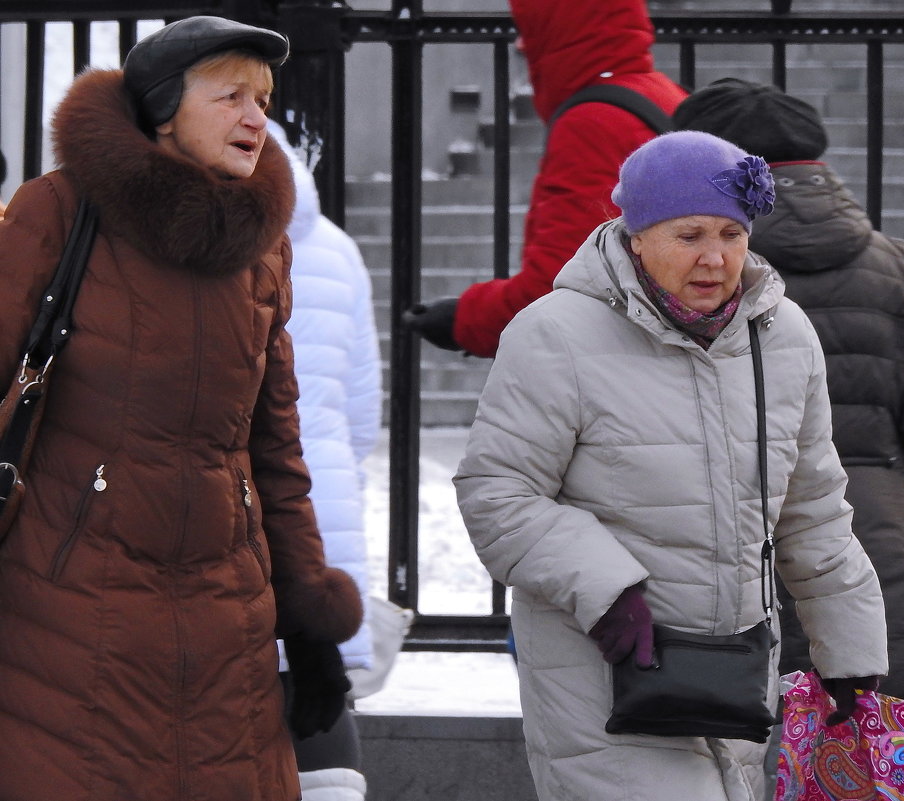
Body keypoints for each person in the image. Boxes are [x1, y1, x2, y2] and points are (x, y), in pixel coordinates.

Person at [453, 130, 889, 801]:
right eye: (688, 235)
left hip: (733, 678)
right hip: (603, 670)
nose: (715, 257)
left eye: (730, 233)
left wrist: (850, 655)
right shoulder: (556, 333)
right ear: (636, 237)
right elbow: (498, 491)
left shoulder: (782, 335)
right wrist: (606, 590)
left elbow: (813, 510)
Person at [0, 16, 361, 801]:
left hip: (224, 621)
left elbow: (274, 446)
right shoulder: (55, 214)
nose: (255, 117)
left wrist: (307, 617)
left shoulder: (262, 250)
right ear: (163, 109)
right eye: (231, 95)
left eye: (263, 99)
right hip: (63, 610)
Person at [672, 78, 904, 706]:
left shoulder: (687, 267)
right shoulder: (888, 262)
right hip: (878, 557)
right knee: (868, 766)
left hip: (729, 552)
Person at [403, 0, 687, 357]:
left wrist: (465, 319)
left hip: (611, 364)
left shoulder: (592, 122)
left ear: (558, 30)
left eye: (527, 29)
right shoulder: (662, 96)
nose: (521, 45)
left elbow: (561, 287)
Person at [267, 119, 381, 774]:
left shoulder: (175, 241)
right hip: (320, 515)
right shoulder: (335, 246)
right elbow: (364, 416)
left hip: (222, 528)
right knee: (317, 716)